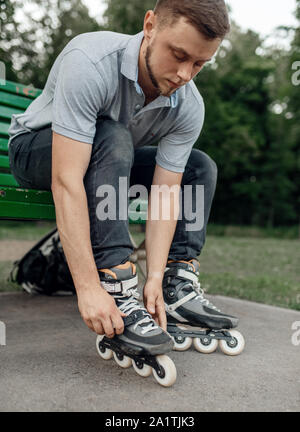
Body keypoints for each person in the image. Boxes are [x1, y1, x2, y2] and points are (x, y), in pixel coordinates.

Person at [8, 0, 240, 357]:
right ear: (150, 26)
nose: (185, 74)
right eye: (178, 54)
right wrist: (88, 288)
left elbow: (165, 194)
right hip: (38, 152)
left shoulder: (189, 104)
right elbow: (67, 180)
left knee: (199, 167)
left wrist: (157, 278)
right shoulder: (90, 60)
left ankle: (179, 284)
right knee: (113, 135)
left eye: (199, 63)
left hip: (109, 158)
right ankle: (116, 280)